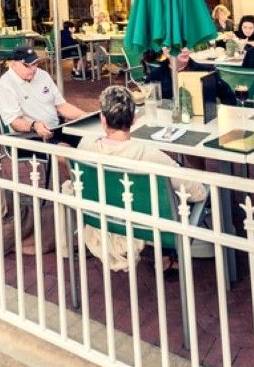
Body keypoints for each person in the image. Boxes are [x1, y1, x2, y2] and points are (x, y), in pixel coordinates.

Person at [76, 86, 208, 271]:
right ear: (134, 119)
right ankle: (168, 255)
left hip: (102, 220)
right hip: (146, 226)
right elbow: (198, 193)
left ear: (103, 119)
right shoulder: (150, 155)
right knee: (172, 197)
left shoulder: (85, 145)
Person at [0, 46, 87, 146]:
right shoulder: (6, 84)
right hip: (29, 136)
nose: (33, 69)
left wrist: (86, 117)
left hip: (55, 127)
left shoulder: (42, 75)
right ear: (13, 64)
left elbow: (61, 106)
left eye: (35, 63)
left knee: (91, 140)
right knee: (65, 151)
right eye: (27, 65)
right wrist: (35, 126)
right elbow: (15, 122)